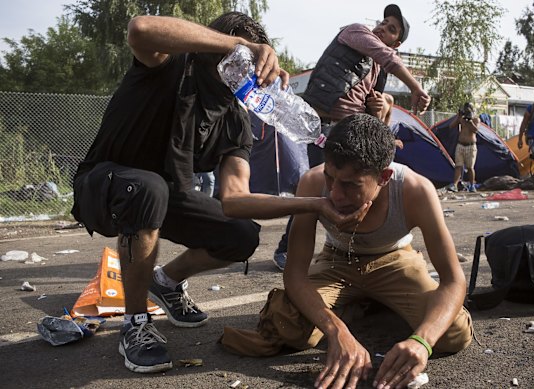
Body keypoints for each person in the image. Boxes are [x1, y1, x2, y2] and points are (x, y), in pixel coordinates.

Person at [71, 12, 367, 374]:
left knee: (240, 235)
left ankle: (164, 282)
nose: (239, 65)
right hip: (105, 183)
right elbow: (140, 28)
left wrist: (315, 203)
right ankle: (134, 324)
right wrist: (238, 45)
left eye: (248, 61)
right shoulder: (170, 65)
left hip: (166, 195)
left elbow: (234, 199)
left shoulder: (233, 115)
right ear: (210, 43)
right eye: (234, 52)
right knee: (148, 189)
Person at [221, 114, 473, 389]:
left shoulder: (415, 190)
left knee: (451, 333)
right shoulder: (312, 182)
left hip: (395, 260)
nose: (336, 194)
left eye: (351, 185)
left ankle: (372, 305)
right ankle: (355, 310)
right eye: (331, 178)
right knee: (285, 323)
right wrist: (336, 331)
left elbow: (452, 280)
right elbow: (294, 275)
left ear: (384, 177)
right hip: (336, 261)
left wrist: (421, 342)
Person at [273, 3, 430, 269]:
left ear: (397, 42)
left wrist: (383, 107)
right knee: (314, 188)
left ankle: (355, 249)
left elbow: (374, 107)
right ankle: (286, 250)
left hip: (348, 133)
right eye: (383, 22)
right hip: (320, 126)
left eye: (391, 29)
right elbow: (387, 56)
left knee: (353, 191)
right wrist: (416, 88)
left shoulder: (378, 69)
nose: (382, 28)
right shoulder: (355, 32)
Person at [447, 102, 479, 192]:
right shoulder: (461, 119)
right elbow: (451, 126)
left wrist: (470, 121)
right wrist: (459, 117)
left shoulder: (476, 120)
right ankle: (455, 185)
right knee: (458, 166)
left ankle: (472, 185)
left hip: (471, 146)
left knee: (470, 167)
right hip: (460, 145)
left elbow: (476, 130)